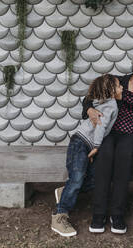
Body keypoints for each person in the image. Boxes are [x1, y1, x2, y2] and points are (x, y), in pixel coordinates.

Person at [83, 51, 133, 234]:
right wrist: (90, 109)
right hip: (108, 132)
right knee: (104, 159)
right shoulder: (117, 81)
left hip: (131, 135)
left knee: (123, 160)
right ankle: (98, 214)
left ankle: (117, 215)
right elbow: (90, 97)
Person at [51, 74, 123, 237]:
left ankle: (65, 192)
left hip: (84, 143)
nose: (122, 88)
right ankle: (60, 215)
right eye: (119, 86)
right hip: (81, 143)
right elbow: (100, 126)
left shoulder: (105, 102)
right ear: (111, 91)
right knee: (77, 178)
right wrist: (96, 146)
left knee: (93, 179)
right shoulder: (111, 105)